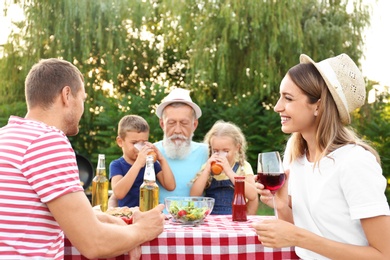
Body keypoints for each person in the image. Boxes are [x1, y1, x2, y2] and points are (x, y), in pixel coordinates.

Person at [0, 58, 165, 259]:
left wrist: (103, 217)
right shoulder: (47, 141)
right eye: (83, 99)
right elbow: (94, 243)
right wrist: (144, 229)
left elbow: (31, 210)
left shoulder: (7, 136)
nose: (83, 108)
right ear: (67, 95)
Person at [252, 53, 390, 259]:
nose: (277, 107)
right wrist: (281, 205)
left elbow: (383, 254)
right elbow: (301, 238)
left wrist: (299, 237)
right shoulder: (296, 157)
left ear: (318, 105)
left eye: (288, 98)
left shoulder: (354, 162)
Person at [190, 120, 258, 215]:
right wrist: (206, 171)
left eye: (225, 151)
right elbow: (194, 195)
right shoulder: (208, 166)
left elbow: (253, 195)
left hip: (236, 216)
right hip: (211, 217)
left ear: (237, 148)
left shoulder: (243, 167)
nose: (221, 155)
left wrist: (229, 172)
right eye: (216, 151)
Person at [154, 88, 209, 203]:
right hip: (159, 220)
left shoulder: (207, 152)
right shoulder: (151, 152)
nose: (177, 130)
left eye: (184, 123)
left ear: (194, 125)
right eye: (171, 123)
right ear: (162, 124)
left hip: (197, 220)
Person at [109, 115, 176, 208]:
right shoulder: (117, 165)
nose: (139, 147)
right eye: (134, 143)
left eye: (143, 142)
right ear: (120, 142)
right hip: (128, 216)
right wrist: (138, 164)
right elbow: (119, 193)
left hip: (150, 214)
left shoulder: (150, 164)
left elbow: (170, 186)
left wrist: (162, 159)